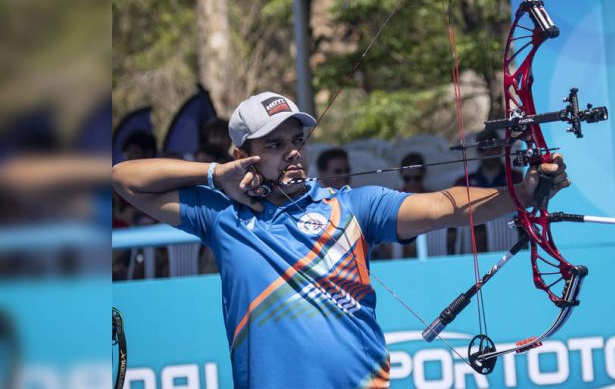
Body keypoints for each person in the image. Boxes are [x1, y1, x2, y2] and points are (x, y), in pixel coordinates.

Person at [112, 91, 569, 388]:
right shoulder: (223, 216)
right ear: (243, 156)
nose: (292, 151)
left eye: (297, 139)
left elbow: (443, 206)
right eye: (273, 144)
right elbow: (124, 179)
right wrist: (214, 175)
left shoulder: (352, 206)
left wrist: (523, 193)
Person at [449, 129, 525, 253]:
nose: (488, 152)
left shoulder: (518, 178)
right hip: (475, 241)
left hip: (513, 233)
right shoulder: (463, 182)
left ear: (500, 148)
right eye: (482, 149)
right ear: (478, 152)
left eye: (492, 147)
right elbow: (453, 218)